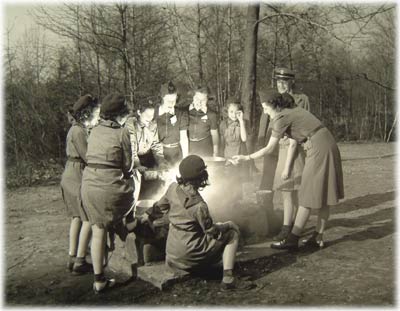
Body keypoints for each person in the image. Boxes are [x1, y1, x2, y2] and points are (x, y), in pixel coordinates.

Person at [233, 90, 344, 250]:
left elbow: (269, 148)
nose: (264, 111)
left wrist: (246, 158)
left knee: (307, 193)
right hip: (325, 142)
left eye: (265, 107)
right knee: (323, 192)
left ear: (274, 105)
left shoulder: (281, 117)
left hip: (318, 148)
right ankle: (318, 236)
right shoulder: (290, 111)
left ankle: (292, 239)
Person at [142, 155, 254, 291]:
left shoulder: (173, 188)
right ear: (201, 177)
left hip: (172, 256)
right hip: (189, 257)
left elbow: (158, 208)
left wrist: (146, 217)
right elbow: (212, 232)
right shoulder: (199, 205)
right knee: (231, 234)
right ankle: (228, 279)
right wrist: (228, 224)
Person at [81, 93, 134, 293]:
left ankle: (99, 279)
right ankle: (126, 226)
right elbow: (127, 166)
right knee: (131, 188)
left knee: (98, 229)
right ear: (119, 115)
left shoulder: (93, 131)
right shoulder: (122, 133)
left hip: (88, 184)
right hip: (108, 187)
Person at [61, 94, 99, 275]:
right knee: (88, 217)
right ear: (87, 113)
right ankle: (80, 260)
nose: (98, 116)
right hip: (77, 172)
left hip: (72, 171)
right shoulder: (78, 131)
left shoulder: (77, 128)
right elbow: (88, 156)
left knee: (76, 217)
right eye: (96, 113)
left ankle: (72, 256)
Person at [271, 67, 311, 241]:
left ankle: (294, 227)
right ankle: (288, 227)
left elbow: (306, 123)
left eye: (284, 82)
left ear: (291, 82)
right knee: (286, 189)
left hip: (297, 149)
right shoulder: (275, 101)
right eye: (278, 82)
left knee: (297, 189)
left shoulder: (302, 99)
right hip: (282, 149)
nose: (281, 85)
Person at [125, 100, 169, 200]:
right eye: (147, 115)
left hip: (148, 159)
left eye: (152, 115)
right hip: (133, 161)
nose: (150, 118)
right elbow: (131, 149)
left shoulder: (152, 124)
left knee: (154, 189)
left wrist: (161, 162)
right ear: (139, 112)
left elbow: (156, 145)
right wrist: (138, 165)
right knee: (137, 191)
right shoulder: (130, 125)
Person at [220, 98, 249, 200]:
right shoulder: (223, 124)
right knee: (228, 181)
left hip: (239, 155)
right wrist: (226, 158)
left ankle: (237, 204)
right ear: (227, 112)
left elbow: (244, 139)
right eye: (231, 112)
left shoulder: (243, 123)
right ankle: (228, 203)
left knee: (237, 181)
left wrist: (241, 121)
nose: (233, 114)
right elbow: (222, 143)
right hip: (228, 155)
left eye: (236, 112)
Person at [155, 81, 189, 166]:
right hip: (158, 154)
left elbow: (184, 138)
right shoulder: (154, 113)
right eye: (168, 100)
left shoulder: (181, 114)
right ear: (162, 98)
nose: (171, 103)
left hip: (176, 154)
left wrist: (185, 158)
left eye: (174, 100)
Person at [188, 86, 219, 157]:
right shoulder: (186, 112)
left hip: (205, 147)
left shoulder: (211, 114)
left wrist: (215, 152)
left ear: (207, 100)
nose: (199, 102)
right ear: (193, 98)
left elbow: (214, 134)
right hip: (190, 147)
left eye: (203, 100)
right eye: (197, 99)